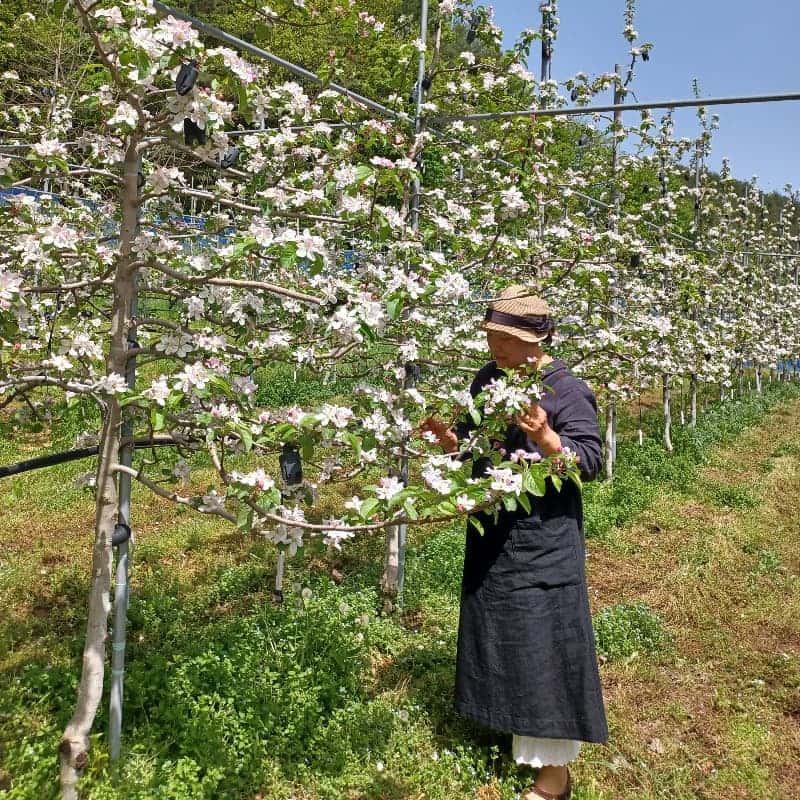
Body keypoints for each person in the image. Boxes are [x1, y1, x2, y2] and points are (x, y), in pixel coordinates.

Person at [421, 285, 608, 800]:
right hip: (496, 533)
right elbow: (473, 441)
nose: (495, 349)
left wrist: (549, 442)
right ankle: (505, 721)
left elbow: (589, 462)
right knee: (500, 631)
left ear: (536, 339)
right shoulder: (491, 377)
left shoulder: (564, 390)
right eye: (491, 337)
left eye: (504, 339)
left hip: (544, 538)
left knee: (543, 645)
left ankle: (554, 778)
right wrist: (449, 441)